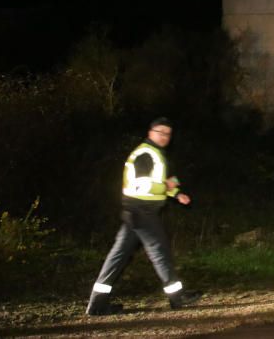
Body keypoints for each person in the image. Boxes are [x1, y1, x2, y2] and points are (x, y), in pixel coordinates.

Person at [86, 118, 201, 315]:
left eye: (168, 133)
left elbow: (157, 183)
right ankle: (177, 297)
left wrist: (175, 194)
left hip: (135, 212)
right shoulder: (145, 154)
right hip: (142, 211)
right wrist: (167, 187)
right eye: (160, 132)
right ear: (150, 132)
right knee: (160, 251)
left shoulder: (154, 153)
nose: (164, 136)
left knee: (117, 257)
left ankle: (97, 304)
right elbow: (140, 184)